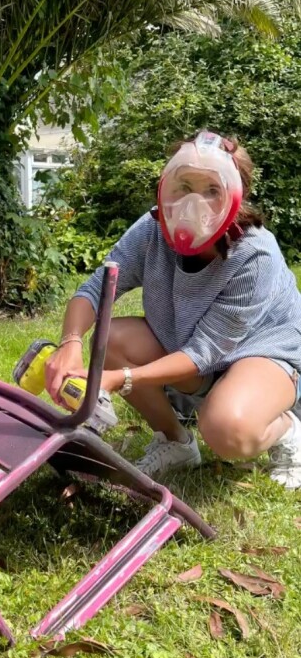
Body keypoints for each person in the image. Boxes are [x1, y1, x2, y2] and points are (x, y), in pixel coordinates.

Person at [45, 129, 301, 489]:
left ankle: (287, 429)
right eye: (184, 186)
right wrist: (69, 343)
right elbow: (96, 290)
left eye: (212, 190)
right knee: (114, 339)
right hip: (192, 348)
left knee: (228, 429)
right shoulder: (151, 229)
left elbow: (204, 352)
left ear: (236, 198)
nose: (192, 204)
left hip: (260, 353)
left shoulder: (255, 255)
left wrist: (119, 379)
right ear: (166, 186)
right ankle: (175, 442)